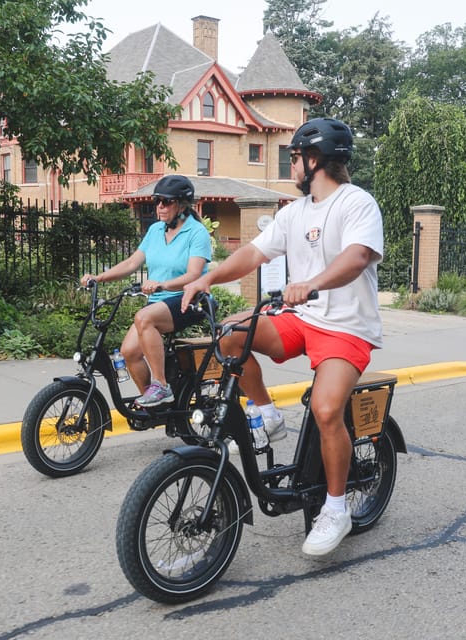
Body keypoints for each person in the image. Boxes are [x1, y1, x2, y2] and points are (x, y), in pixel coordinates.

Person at [181, 117, 385, 557]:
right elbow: (253, 254)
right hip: (303, 318)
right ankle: (267, 414)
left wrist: (312, 283)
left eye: (294, 157)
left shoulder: (357, 203)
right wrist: (207, 279)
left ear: (315, 160)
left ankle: (335, 508)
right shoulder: (293, 213)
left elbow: (357, 256)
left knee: (327, 409)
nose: (290, 164)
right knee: (232, 335)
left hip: (347, 327)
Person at [80, 175, 212, 407]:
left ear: (182, 205)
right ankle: (157, 406)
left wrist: (162, 285)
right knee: (129, 352)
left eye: (166, 202)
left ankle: (161, 386)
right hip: (160, 303)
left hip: (189, 299)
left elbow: (193, 275)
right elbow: (132, 263)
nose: (159, 206)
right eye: (157, 201)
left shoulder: (196, 232)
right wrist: (97, 278)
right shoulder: (155, 231)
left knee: (143, 317)